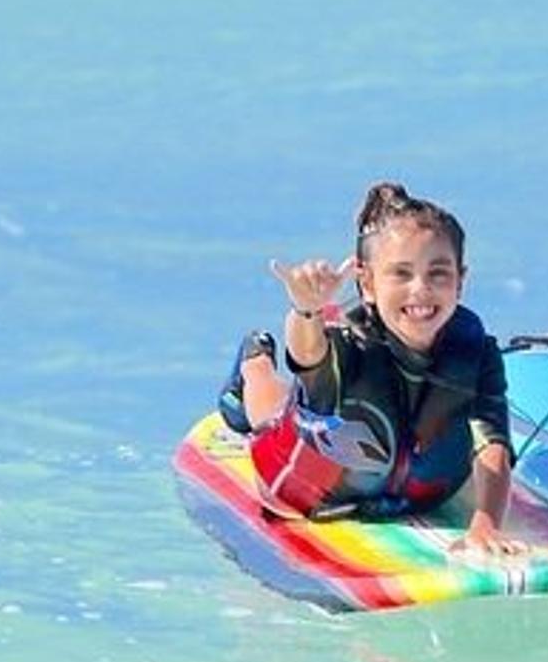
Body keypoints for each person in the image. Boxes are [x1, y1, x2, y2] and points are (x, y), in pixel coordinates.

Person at [216, 180, 524, 552]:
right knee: (271, 415)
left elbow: (492, 443)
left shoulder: (477, 352)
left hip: (407, 496)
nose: (421, 289)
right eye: (401, 273)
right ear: (368, 284)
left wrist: (485, 523)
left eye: (438, 272)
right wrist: (307, 311)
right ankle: (254, 361)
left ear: (461, 281)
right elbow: (307, 353)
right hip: (305, 488)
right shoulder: (349, 343)